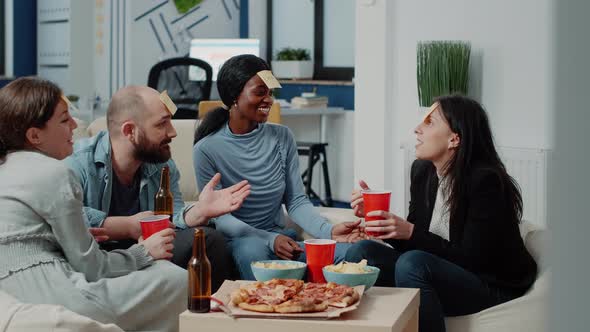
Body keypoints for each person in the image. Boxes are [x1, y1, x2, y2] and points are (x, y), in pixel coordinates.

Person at [0, 77, 185, 332]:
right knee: (175, 278)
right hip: (50, 291)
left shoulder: (7, 166)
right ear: (34, 135)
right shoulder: (55, 173)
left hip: (9, 294)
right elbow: (91, 267)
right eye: (65, 120)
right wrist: (143, 252)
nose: (75, 125)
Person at [345, 95, 537, 332]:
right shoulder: (422, 171)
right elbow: (414, 242)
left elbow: (473, 259)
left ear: (454, 139)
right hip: (440, 272)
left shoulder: (486, 182)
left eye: (429, 123)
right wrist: (384, 223)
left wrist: (410, 232)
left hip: (491, 282)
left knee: (413, 264)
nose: (417, 129)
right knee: (362, 252)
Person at [193, 54, 364, 280]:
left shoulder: (282, 137)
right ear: (234, 95)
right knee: (254, 253)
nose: (269, 100)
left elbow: (296, 201)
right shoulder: (206, 149)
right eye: (259, 92)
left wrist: (329, 231)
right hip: (242, 242)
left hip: (283, 239)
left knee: (355, 254)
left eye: (270, 92)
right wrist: (269, 240)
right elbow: (221, 218)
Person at [65, 85, 250, 291]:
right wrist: (126, 226)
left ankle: (207, 317)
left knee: (207, 239)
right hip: (100, 258)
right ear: (130, 131)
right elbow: (67, 217)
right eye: (162, 123)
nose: (172, 132)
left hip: (153, 251)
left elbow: (172, 217)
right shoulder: (77, 163)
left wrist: (199, 211)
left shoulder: (161, 164)